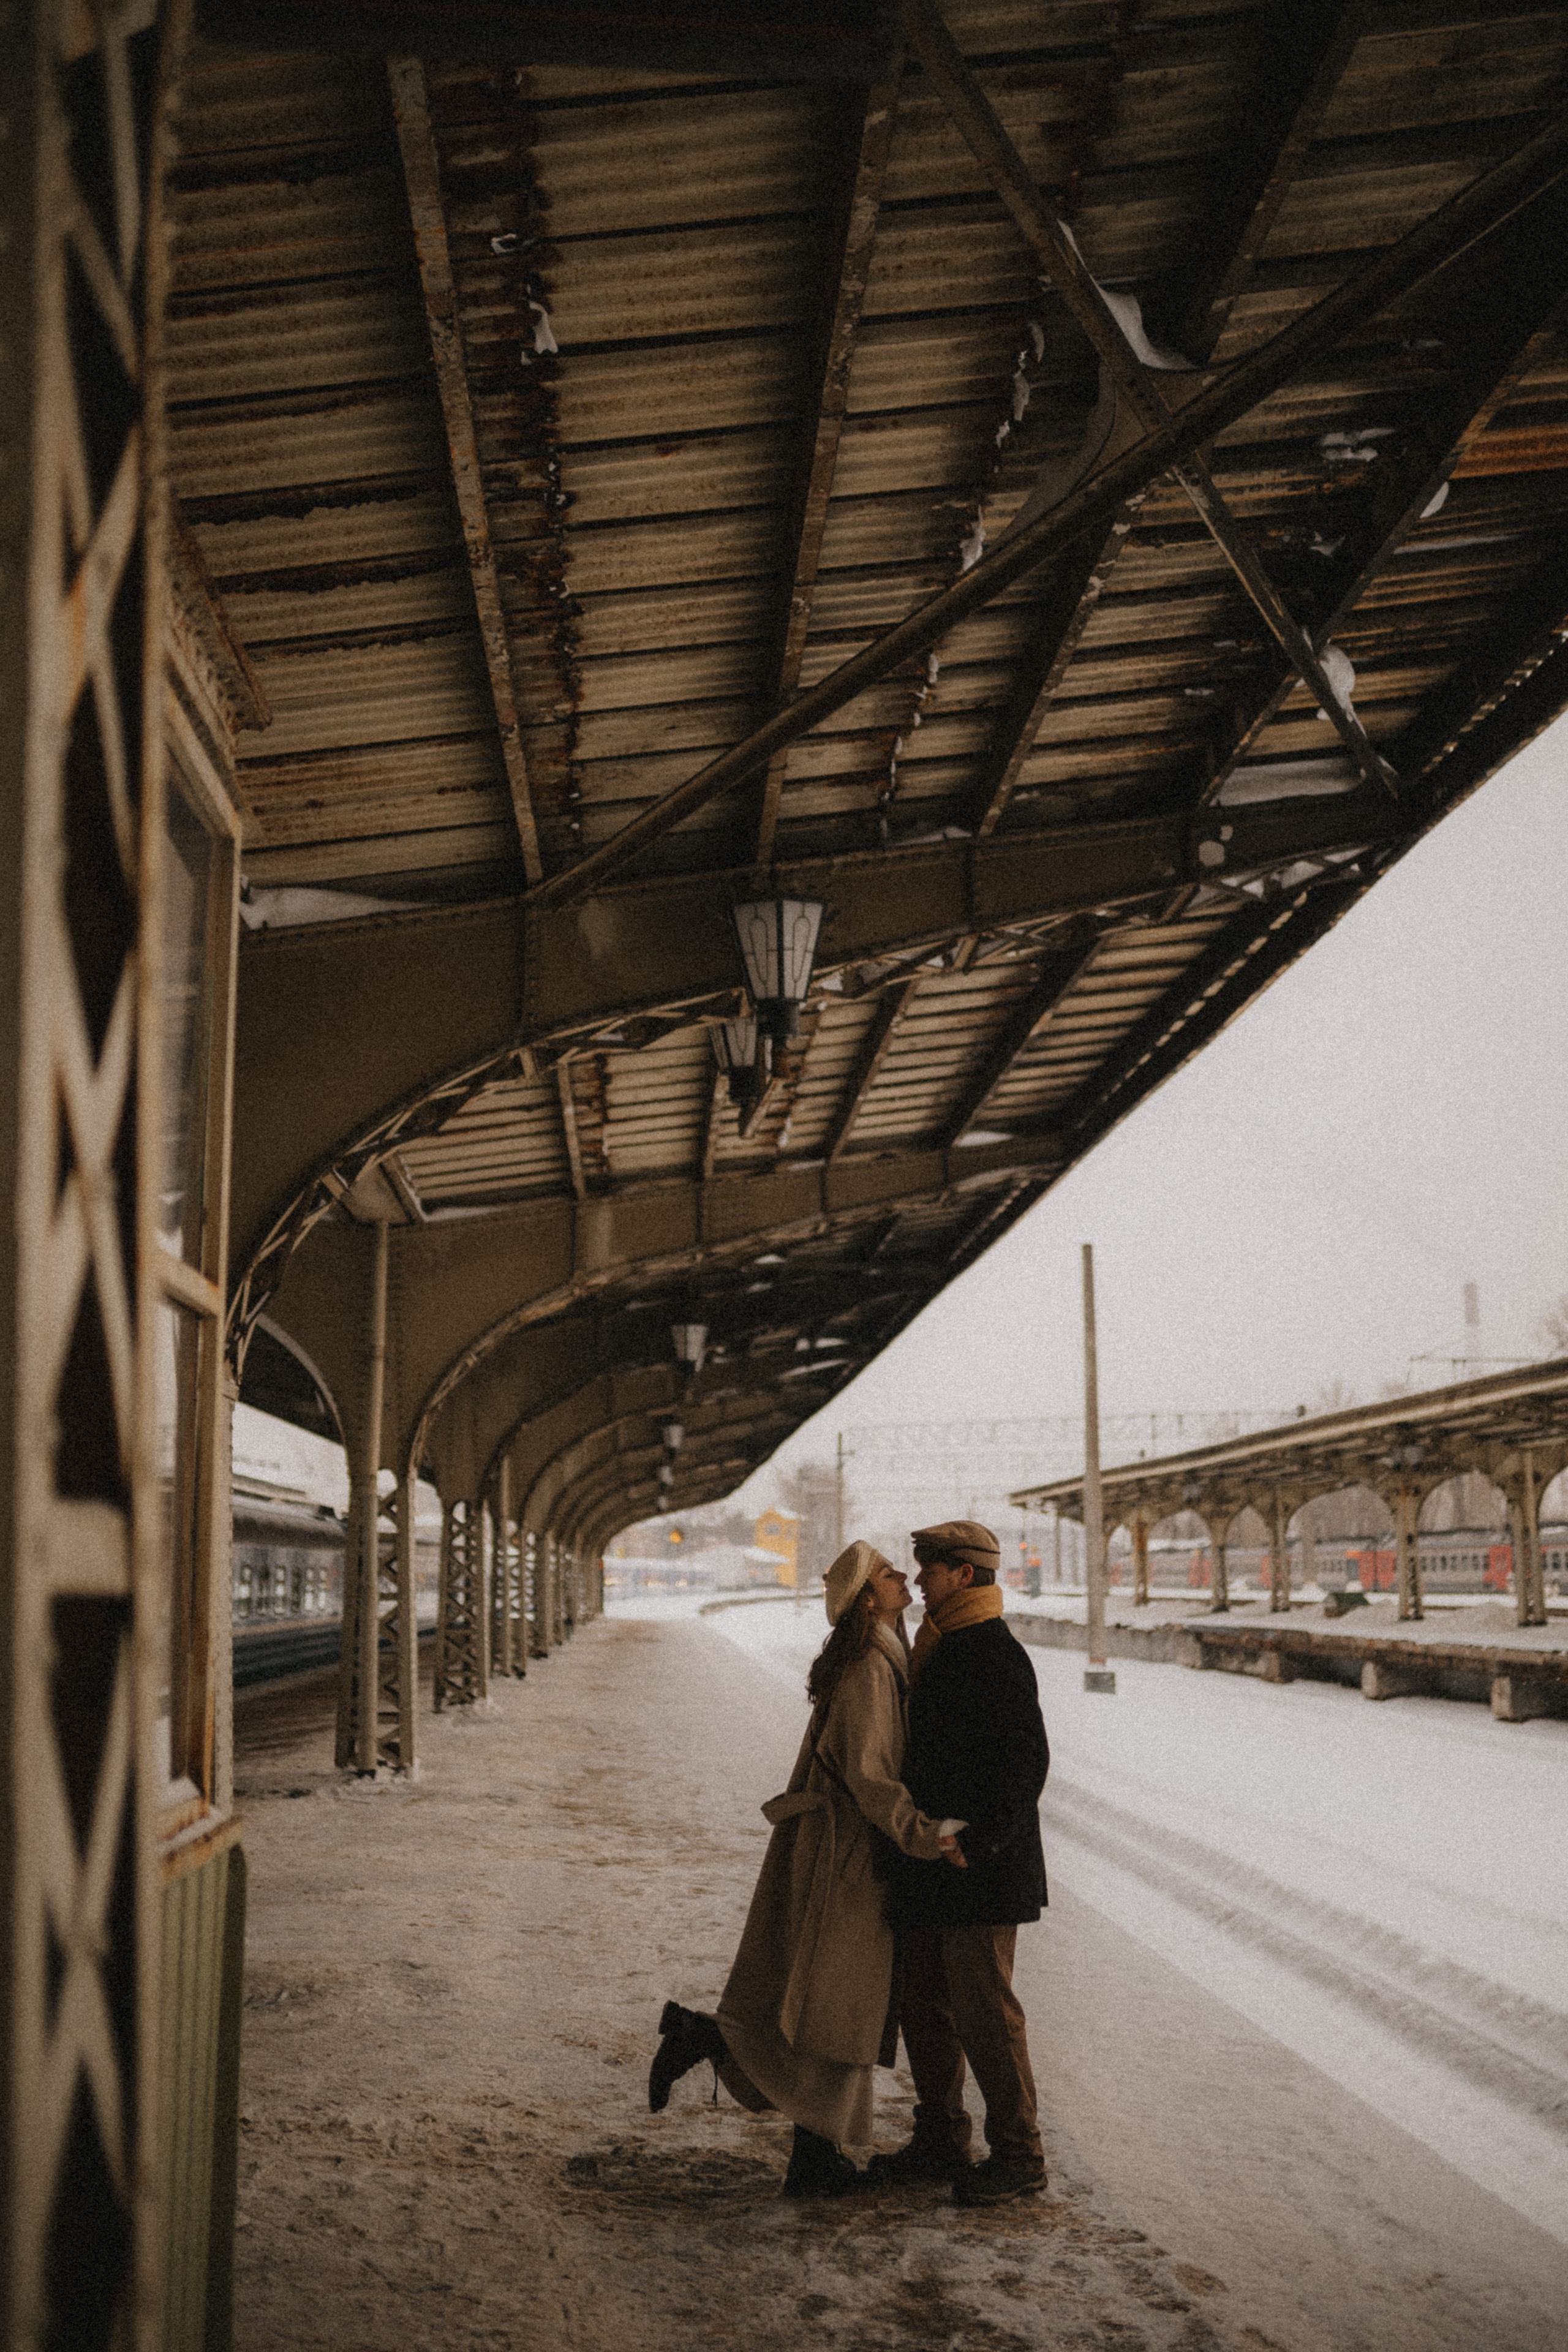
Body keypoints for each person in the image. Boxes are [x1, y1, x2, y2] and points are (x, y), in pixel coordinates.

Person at [647, 1540, 967, 2197]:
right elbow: (870, 1776)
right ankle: (807, 2152)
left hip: (845, 1851)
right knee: (838, 2009)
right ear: (867, 1598)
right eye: (887, 1573)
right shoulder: (871, 1668)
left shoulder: (877, 1656)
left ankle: (754, 2091)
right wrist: (925, 1835)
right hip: (847, 1860)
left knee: (831, 2007)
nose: (902, 1576)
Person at [870, 1519, 1050, 2207]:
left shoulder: (991, 1651)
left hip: (978, 1870)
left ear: (964, 1575)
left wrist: (980, 1842)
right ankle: (941, 2136)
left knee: (985, 2013)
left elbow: (1026, 1764)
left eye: (932, 1569)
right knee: (925, 2006)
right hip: (931, 1863)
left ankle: (1020, 2155)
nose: (919, 1579)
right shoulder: (940, 1643)